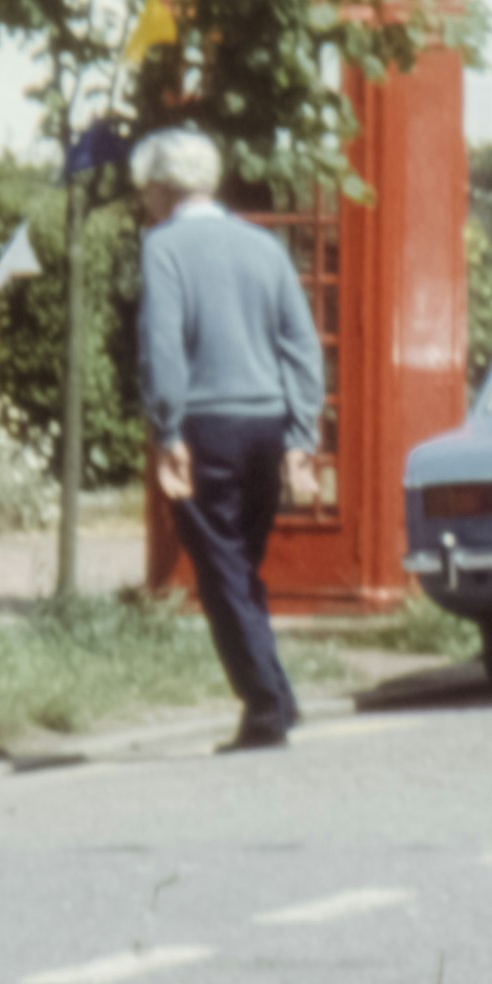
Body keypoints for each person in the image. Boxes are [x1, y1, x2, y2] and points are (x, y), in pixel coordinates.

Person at [131, 126, 331, 755]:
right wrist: (302, 432)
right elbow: (301, 346)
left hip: (204, 428)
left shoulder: (162, 247)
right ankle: (279, 693)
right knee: (239, 564)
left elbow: (162, 345)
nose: (145, 204)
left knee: (220, 573)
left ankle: (265, 706)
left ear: (163, 189)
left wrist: (166, 430)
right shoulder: (262, 245)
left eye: (146, 192)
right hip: (267, 426)